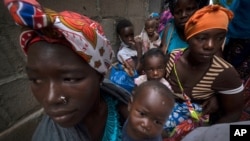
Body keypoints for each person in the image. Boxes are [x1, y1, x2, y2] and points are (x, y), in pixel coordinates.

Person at [5, 0, 131, 140]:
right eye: (36, 80)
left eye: (70, 79)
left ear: (99, 75)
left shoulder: (120, 105)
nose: (50, 98)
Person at [163, 4, 244, 140]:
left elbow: (234, 115)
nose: (210, 45)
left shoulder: (225, 74)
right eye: (201, 38)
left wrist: (206, 135)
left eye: (219, 38)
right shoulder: (172, 58)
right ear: (189, 37)